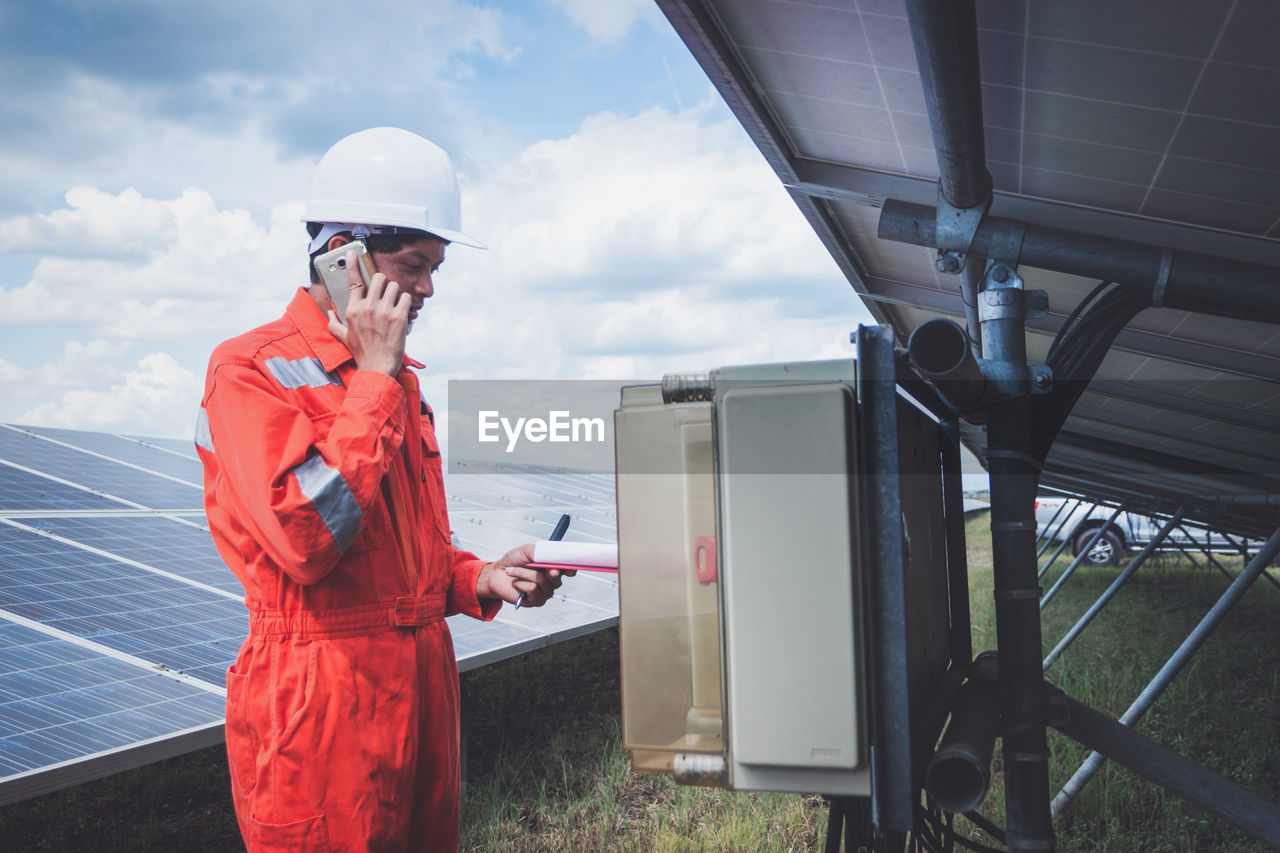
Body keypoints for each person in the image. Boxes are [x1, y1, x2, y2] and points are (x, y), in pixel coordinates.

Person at [196, 127, 568, 852]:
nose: (429, 287)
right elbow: (307, 539)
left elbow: (409, 556)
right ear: (344, 256)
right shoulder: (248, 371)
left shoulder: (398, 381)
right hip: (320, 703)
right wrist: (371, 380)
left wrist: (485, 576)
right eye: (415, 264)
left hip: (421, 687)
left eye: (436, 267)